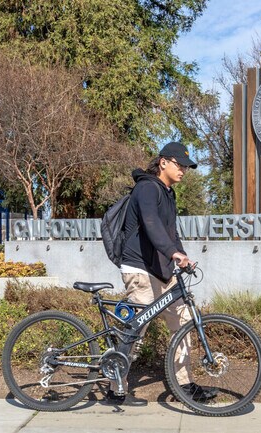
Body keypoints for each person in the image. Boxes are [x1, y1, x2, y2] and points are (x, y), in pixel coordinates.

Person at [105, 141, 217, 406]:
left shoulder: (168, 193)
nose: (183, 171)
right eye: (180, 165)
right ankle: (116, 388)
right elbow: (151, 223)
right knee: (136, 330)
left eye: (186, 167)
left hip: (162, 270)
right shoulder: (146, 188)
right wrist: (171, 252)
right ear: (163, 162)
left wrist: (181, 255)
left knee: (184, 322)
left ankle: (184, 385)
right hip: (140, 269)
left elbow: (170, 232)